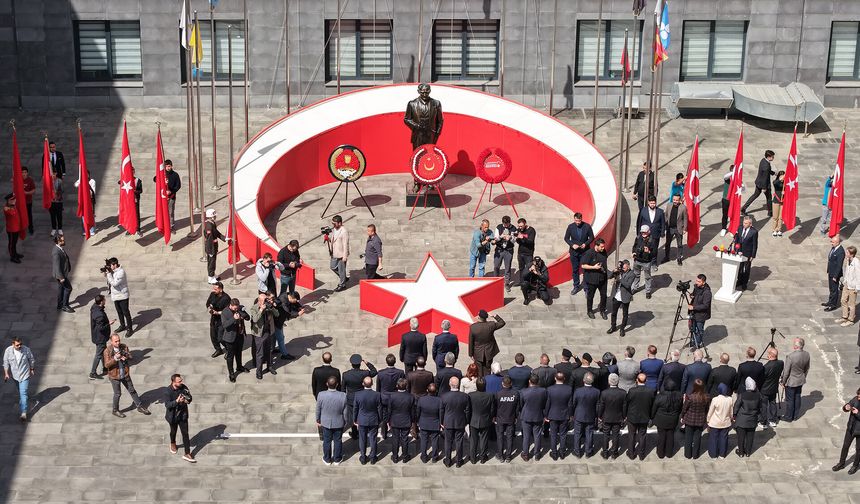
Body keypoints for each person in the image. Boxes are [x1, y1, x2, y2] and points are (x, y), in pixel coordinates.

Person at [103, 333, 150, 418]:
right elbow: (106, 365)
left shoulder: (124, 346)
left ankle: (139, 406)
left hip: (125, 373)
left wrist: (126, 356)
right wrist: (115, 359)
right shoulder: (107, 351)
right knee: (117, 394)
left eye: (119, 340)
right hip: (114, 376)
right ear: (111, 342)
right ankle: (115, 410)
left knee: (132, 390)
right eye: (116, 341)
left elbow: (130, 356)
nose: (118, 343)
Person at [343, 354, 377, 439]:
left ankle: (354, 433)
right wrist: (367, 363)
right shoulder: (364, 373)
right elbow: (374, 371)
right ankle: (362, 431)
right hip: (362, 398)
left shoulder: (345, 374)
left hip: (351, 399)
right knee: (362, 414)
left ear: (351, 364)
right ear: (360, 364)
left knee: (352, 417)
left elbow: (343, 389)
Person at [316, 376, 348, 465]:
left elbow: (318, 409)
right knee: (338, 440)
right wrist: (345, 421)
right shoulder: (343, 395)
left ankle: (327, 459)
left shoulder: (321, 395)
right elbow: (345, 412)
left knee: (326, 441)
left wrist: (317, 419)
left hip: (325, 422)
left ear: (327, 384)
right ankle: (337, 459)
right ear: (337, 384)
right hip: (338, 422)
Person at [164, 374, 195, 462]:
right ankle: (173, 443)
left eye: (181, 380)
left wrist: (187, 400)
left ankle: (187, 453)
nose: (181, 382)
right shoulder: (168, 391)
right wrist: (177, 401)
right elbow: (168, 405)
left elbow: (190, 397)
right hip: (173, 416)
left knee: (185, 433)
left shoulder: (183, 387)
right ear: (173, 382)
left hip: (183, 415)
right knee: (173, 431)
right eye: (179, 381)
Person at [440, 376, 470, 467]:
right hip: (460, 422)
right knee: (459, 441)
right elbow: (468, 411)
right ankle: (458, 461)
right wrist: (466, 421)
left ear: (450, 384)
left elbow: (441, 410)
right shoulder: (465, 396)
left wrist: (441, 422)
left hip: (448, 422)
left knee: (448, 442)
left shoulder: (444, 396)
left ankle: (448, 461)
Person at [3, 336, 35, 422]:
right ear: (13, 344)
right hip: (15, 376)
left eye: (21, 344)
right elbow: (5, 362)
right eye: (17, 345)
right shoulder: (8, 351)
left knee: (23, 392)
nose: (19, 346)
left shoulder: (26, 350)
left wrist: (32, 369)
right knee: (21, 392)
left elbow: (31, 359)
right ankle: (23, 399)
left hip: (25, 375)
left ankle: (23, 413)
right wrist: (6, 373)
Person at [625, 373, 656, 460]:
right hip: (644, 416)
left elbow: (627, 402)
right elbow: (652, 404)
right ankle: (641, 455)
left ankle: (631, 453)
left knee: (632, 435)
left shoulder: (632, 391)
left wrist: (625, 414)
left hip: (632, 417)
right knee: (642, 436)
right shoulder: (650, 391)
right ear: (646, 381)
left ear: (636, 380)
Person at [384, 378, 415, 463]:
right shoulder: (410, 397)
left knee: (395, 439)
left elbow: (389, 410)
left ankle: (395, 457)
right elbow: (412, 411)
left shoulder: (392, 396)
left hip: (395, 420)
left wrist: (387, 420)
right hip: (406, 420)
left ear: (397, 386)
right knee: (405, 439)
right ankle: (405, 457)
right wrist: (412, 420)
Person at [354, 376, 383, 464]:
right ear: (372, 384)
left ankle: (363, 457)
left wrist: (355, 420)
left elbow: (355, 408)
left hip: (362, 420)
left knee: (362, 439)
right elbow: (379, 409)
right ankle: (373, 458)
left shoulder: (358, 394)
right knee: (373, 439)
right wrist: (380, 419)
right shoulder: (377, 395)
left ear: (363, 384)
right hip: (373, 420)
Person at [781, 337, 811, 422]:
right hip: (800, 380)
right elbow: (807, 368)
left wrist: (783, 382)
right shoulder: (807, 354)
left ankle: (788, 417)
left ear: (796, 346)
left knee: (790, 400)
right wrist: (803, 376)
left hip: (791, 382)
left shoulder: (791, 357)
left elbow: (786, 372)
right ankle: (795, 415)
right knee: (797, 397)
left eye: (794, 344)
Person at [564, 212, 594, 295]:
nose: (577, 222)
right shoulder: (570, 227)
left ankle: (586, 287)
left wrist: (585, 244)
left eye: (579, 221)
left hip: (585, 252)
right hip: (574, 252)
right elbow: (566, 238)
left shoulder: (587, 226)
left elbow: (591, 237)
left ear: (581, 219)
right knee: (575, 270)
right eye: (576, 220)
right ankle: (576, 286)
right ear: (574, 219)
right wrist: (572, 245)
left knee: (585, 270)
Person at [376, 353, 406, 439]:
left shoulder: (381, 373)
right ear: (395, 362)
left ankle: (384, 433)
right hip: (395, 397)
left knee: (384, 416)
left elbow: (378, 388)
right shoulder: (400, 372)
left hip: (384, 398)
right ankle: (394, 431)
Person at [651, 378, 683, 459]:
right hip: (673, 419)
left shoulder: (660, 397)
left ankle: (660, 453)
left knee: (661, 436)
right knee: (670, 436)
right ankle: (669, 453)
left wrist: (652, 417)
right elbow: (680, 409)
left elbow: (654, 409)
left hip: (661, 420)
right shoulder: (679, 396)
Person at [571, 372, 600, 458]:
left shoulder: (578, 391)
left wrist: (572, 414)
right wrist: (597, 415)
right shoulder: (597, 392)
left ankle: (577, 451)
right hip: (591, 415)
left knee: (577, 433)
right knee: (589, 434)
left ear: (583, 380)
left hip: (579, 415)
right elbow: (597, 405)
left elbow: (574, 403)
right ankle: (588, 452)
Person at [544, 371, 573, 460]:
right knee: (563, 434)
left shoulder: (550, 389)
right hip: (564, 415)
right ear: (564, 379)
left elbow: (548, 403)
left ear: (555, 378)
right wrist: (571, 415)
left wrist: (546, 415)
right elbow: (570, 404)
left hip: (553, 415)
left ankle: (554, 453)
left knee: (553, 434)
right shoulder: (569, 389)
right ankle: (562, 452)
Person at [597, 373, 626, 459]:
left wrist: (599, 415)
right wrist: (624, 417)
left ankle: (605, 452)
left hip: (606, 417)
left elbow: (601, 406)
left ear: (609, 382)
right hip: (618, 417)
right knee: (615, 435)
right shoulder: (623, 393)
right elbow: (624, 406)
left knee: (606, 435)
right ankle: (614, 452)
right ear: (618, 382)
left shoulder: (604, 393)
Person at [519, 374, 548, 461]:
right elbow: (544, 403)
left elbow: (521, 404)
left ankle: (525, 454)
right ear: (538, 381)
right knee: (537, 435)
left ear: (529, 381)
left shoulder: (523, 391)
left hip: (526, 415)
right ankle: (537, 454)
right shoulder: (543, 391)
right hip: (538, 415)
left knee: (526, 436)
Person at [249, 293, 277, 380]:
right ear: (259, 301)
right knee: (260, 354)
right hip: (259, 335)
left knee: (269, 351)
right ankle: (259, 372)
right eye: (264, 300)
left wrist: (272, 307)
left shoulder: (268, 306)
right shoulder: (254, 308)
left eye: (267, 300)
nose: (266, 301)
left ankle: (270, 366)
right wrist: (261, 309)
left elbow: (277, 314)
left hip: (268, 332)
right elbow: (255, 319)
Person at [832, 387, 860, 474]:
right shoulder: (855, 399)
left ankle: (855, 465)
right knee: (845, 446)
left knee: (858, 449)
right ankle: (841, 463)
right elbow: (847, 406)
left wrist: (858, 413)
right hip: (851, 428)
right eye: (858, 395)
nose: (858, 397)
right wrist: (846, 407)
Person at [220, 298, 249, 382]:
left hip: (240, 335)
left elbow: (248, 318)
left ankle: (239, 366)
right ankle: (231, 373)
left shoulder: (239, 308)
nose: (236, 309)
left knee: (239, 352)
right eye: (235, 308)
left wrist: (243, 315)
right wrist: (234, 318)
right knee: (230, 356)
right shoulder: (225, 312)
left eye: (237, 307)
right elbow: (225, 325)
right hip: (230, 338)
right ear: (230, 305)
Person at [468, 309, 505, 376]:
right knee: (488, 369)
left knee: (479, 370)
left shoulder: (473, 327)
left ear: (479, 317)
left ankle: (480, 382)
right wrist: (495, 316)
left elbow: (471, 342)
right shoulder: (491, 325)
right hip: (489, 352)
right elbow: (502, 323)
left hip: (478, 353)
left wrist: (470, 354)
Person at [680, 378, 710, 459]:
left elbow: (684, 408)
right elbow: (707, 409)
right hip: (700, 420)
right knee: (697, 438)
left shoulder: (690, 397)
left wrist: (682, 416)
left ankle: (688, 454)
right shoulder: (706, 397)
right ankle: (695, 455)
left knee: (688, 438)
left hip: (689, 419)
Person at [468, 377, 495, 463]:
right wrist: (490, 418)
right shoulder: (490, 395)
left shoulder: (471, 395)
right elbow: (492, 410)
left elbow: (468, 409)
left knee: (473, 440)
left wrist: (468, 419)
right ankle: (483, 457)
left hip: (473, 420)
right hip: (485, 420)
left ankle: (472, 458)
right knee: (484, 440)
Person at [104, 257, 133, 337]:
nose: (110, 267)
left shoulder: (121, 272)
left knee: (126, 313)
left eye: (111, 265)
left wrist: (109, 274)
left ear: (115, 265)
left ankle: (130, 329)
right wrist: (106, 273)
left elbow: (114, 283)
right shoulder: (112, 271)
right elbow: (109, 280)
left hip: (122, 295)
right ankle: (122, 325)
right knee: (119, 312)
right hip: (115, 295)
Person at [742, 150, 775, 217]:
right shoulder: (767, 166)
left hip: (758, 182)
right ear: (769, 157)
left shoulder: (763, 160)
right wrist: (764, 188)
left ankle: (743, 208)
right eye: (772, 157)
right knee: (769, 198)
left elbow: (765, 171)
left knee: (754, 195)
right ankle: (770, 212)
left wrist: (774, 173)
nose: (773, 158)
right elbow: (765, 177)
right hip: (764, 184)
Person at [734, 377, 761, 457]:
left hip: (742, 420)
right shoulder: (758, 395)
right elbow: (760, 407)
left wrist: (734, 415)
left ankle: (741, 452)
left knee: (741, 437)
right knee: (750, 437)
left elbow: (736, 406)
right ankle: (748, 452)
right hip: (752, 419)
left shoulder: (742, 395)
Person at [494, 376, 520, 462]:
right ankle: (508, 456)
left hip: (500, 419)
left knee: (500, 437)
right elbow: (517, 407)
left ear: (502, 384)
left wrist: (494, 417)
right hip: (511, 418)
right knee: (509, 437)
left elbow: (495, 407)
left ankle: (501, 456)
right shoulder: (515, 393)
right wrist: (516, 416)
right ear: (511, 384)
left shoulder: (498, 394)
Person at [582, 238, 609, 319]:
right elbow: (583, 265)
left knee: (604, 296)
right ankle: (589, 311)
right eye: (601, 247)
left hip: (602, 278)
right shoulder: (589, 253)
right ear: (596, 246)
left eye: (603, 246)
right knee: (590, 296)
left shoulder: (603, 252)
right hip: (592, 279)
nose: (603, 248)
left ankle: (602, 310)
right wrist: (594, 267)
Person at [607, 259, 636, 336]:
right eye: (622, 268)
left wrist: (620, 278)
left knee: (625, 314)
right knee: (614, 313)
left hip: (625, 296)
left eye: (624, 268)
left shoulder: (632, 274)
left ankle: (622, 329)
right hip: (616, 295)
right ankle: (613, 327)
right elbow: (609, 276)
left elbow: (628, 285)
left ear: (628, 267)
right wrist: (614, 271)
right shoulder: (619, 271)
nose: (623, 269)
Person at [637, 196, 666, 270]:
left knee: (654, 249)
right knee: (644, 248)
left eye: (654, 203)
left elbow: (663, 223)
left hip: (655, 234)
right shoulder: (643, 210)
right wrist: (638, 233)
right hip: (644, 234)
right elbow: (639, 222)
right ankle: (643, 263)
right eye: (651, 203)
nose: (652, 204)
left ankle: (653, 263)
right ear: (648, 203)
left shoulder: (660, 211)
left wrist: (662, 232)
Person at [416, 383, 443, 462]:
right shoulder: (439, 400)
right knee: (435, 441)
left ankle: (424, 457)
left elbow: (418, 412)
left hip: (424, 423)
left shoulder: (421, 399)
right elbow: (441, 412)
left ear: (427, 390)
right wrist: (441, 423)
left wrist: (418, 421)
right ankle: (434, 457)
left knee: (424, 440)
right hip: (435, 423)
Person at [706, 383, 734, 458]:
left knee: (713, 439)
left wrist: (708, 420)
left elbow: (710, 411)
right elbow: (731, 412)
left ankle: (713, 455)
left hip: (715, 423)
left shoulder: (715, 399)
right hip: (725, 422)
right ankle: (722, 454)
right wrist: (731, 418)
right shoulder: (730, 399)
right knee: (724, 439)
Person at [89, 295, 113, 380]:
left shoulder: (94, 307)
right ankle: (93, 372)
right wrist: (109, 324)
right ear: (101, 301)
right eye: (104, 300)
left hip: (97, 336)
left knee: (104, 352)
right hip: (100, 338)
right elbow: (101, 328)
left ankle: (105, 367)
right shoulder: (99, 315)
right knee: (99, 354)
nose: (105, 300)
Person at [206, 282, 231, 358]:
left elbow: (227, 311)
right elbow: (208, 303)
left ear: (221, 289)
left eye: (215, 289)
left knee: (221, 338)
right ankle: (218, 349)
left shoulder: (226, 298)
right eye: (214, 288)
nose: (214, 290)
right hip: (214, 319)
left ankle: (228, 350)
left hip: (221, 320)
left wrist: (218, 313)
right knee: (213, 336)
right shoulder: (212, 294)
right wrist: (209, 308)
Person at [732, 216, 758, 291]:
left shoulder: (754, 232)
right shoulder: (740, 228)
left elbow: (755, 244)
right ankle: (739, 281)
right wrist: (736, 250)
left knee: (746, 269)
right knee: (739, 267)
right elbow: (737, 239)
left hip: (748, 253)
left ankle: (744, 283)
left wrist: (753, 255)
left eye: (746, 223)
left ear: (750, 224)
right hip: (739, 251)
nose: (744, 224)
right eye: (743, 222)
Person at [760, 347, 784, 428]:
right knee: (772, 403)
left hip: (765, 389)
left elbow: (762, 378)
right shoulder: (781, 363)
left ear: (770, 355)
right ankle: (773, 420)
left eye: (768, 353)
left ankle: (763, 422)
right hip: (774, 388)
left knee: (763, 405)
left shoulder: (766, 367)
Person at [203, 209, 227, 284]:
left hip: (213, 246)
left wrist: (224, 238)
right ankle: (210, 277)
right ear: (211, 216)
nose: (215, 216)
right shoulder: (209, 226)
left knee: (213, 261)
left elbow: (216, 232)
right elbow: (210, 239)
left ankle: (212, 274)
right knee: (211, 262)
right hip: (211, 247)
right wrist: (211, 251)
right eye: (214, 215)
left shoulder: (211, 223)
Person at [493, 216, 517, 291]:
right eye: (504, 224)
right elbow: (496, 238)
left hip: (508, 250)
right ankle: (495, 281)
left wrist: (510, 238)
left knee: (507, 267)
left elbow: (514, 241)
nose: (505, 225)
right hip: (499, 249)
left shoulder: (514, 228)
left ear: (510, 222)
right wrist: (501, 237)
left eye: (507, 224)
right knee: (496, 265)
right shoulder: (499, 227)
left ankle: (507, 283)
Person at [688, 274, 712, 349]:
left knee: (699, 330)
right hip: (694, 313)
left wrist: (693, 307)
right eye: (696, 280)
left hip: (701, 315)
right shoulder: (696, 286)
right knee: (692, 328)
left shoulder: (707, 293)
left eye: (699, 281)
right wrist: (692, 295)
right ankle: (693, 340)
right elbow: (695, 294)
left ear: (703, 282)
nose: (697, 282)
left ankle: (697, 343)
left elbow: (705, 306)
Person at [663, 194, 687, 265]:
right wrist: (664, 225)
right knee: (667, 243)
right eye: (674, 200)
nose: (675, 201)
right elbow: (666, 215)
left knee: (679, 244)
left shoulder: (683, 208)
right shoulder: (669, 205)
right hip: (670, 228)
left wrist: (685, 228)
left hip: (678, 228)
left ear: (680, 200)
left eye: (677, 200)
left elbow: (685, 218)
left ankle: (679, 258)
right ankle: (667, 257)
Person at [631, 225, 655, 299]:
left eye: (645, 232)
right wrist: (633, 252)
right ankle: (635, 288)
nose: (643, 234)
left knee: (647, 277)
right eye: (642, 232)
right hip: (637, 260)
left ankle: (648, 291)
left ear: (648, 232)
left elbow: (654, 252)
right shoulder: (638, 238)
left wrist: (649, 252)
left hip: (646, 262)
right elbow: (634, 246)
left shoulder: (652, 240)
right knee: (636, 275)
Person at [839, 246, 860, 327]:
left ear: (851, 254)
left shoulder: (856, 262)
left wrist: (857, 288)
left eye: (847, 252)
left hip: (853, 286)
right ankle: (845, 316)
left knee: (851, 304)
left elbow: (858, 275)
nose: (846, 253)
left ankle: (851, 320)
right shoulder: (848, 260)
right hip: (847, 284)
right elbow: (847, 272)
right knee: (843, 300)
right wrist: (844, 281)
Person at [119, 166, 143, 236]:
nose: (131, 173)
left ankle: (138, 229)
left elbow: (140, 191)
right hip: (128, 201)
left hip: (135, 200)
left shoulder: (138, 180)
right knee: (129, 214)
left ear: (134, 172)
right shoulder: (125, 180)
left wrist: (135, 191)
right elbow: (119, 182)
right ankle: (129, 229)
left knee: (136, 214)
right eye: (130, 171)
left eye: (132, 171)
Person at [51, 235, 73, 312]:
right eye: (63, 240)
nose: (64, 241)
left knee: (61, 289)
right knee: (68, 288)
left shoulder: (59, 249)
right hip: (61, 275)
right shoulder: (56, 252)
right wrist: (61, 277)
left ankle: (60, 304)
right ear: (58, 241)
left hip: (62, 274)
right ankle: (65, 305)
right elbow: (57, 266)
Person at [158, 160, 181, 232]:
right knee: (162, 211)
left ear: (171, 166)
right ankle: (163, 225)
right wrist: (161, 178)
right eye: (166, 166)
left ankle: (171, 226)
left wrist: (171, 191)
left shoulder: (175, 175)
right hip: (163, 197)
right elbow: (155, 179)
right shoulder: (162, 174)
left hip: (171, 197)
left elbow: (178, 186)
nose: (167, 168)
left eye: (169, 166)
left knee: (170, 212)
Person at [825, 234, 846, 311]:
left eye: (833, 242)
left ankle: (833, 305)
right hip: (831, 271)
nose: (831, 243)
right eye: (831, 241)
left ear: (838, 242)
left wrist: (835, 276)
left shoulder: (840, 252)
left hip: (835, 274)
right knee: (831, 288)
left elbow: (839, 265)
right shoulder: (834, 248)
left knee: (834, 290)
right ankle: (830, 301)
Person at [329, 215, 349, 291]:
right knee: (332, 267)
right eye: (332, 223)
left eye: (334, 223)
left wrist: (345, 256)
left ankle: (342, 284)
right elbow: (334, 240)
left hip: (341, 254)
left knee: (341, 270)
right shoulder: (335, 229)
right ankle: (343, 277)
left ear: (340, 223)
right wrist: (329, 240)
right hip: (334, 252)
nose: (333, 225)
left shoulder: (344, 231)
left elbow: (345, 244)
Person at [514, 217, 536, 285]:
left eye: (521, 226)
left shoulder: (531, 230)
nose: (520, 228)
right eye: (519, 226)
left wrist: (523, 237)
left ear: (525, 224)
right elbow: (518, 241)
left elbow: (531, 242)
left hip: (528, 253)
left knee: (529, 269)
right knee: (521, 268)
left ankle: (529, 284)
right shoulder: (519, 230)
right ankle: (522, 282)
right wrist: (517, 238)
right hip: (520, 253)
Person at [3, 194, 21, 263]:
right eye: (12, 200)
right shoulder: (6, 208)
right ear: (8, 201)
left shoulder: (13, 206)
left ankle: (15, 253)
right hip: (11, 229)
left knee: (15, 242)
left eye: (14, 199)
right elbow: (12, 213)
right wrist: (12, 205)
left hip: (16, 228)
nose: (14, 201)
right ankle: (12, 257)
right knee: (11, 244)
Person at [21, 167, 35, 234]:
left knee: (29, 215)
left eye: (25, 172)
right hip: (20, 202)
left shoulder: (30, 180)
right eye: (22, 172)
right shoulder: (18, 179)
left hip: (28, 201)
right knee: (20, 216)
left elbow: (33, 190)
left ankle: (30, 228)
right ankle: (21, 229)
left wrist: (27, 193)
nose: (23, 174)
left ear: (27, 173)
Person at [771, 170, 785, 237]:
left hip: (783, 202)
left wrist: (785, 192)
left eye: (783, 176)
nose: (783, 177)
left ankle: (779, 229)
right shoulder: (776, 182)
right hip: (776, 201)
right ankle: (774, 230)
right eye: (781, 176)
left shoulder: (785, 184)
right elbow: (775, 183)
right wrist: (780, 179)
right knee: (775, 217)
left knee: (781, 217)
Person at [720, 167, 733, 236]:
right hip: (726, 200)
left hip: (733, 200)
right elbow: (725, 176)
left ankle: (732, 229)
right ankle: (724, 228)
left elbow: (743, 190)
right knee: (725, 215)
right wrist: (733, 172)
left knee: (733, 215)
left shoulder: (737, 179)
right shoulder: (727, 178)